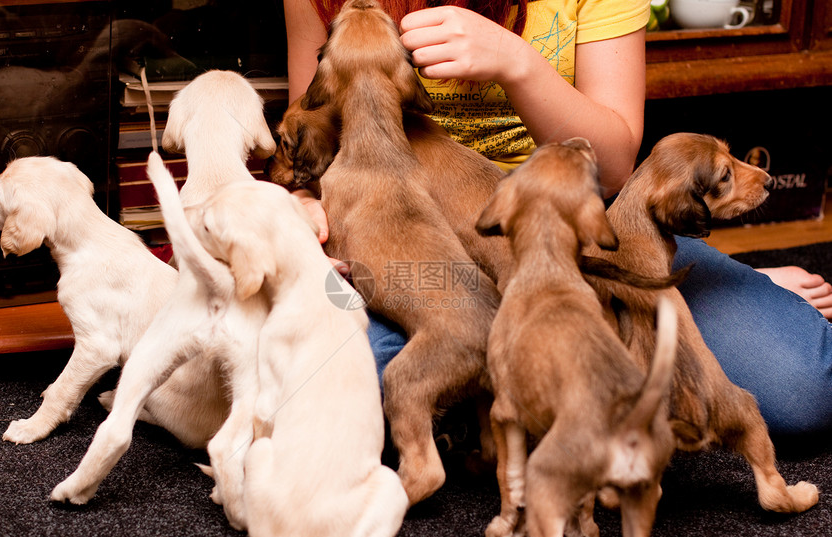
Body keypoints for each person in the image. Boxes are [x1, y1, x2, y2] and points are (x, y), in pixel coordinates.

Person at [283, 0, 832, 435]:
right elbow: (309, 141)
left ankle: (670, 286)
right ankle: (618, 323)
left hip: (572, 240)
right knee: (315, 404)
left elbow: (613, 168)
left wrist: (515, 62)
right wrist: (307, 209)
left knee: (803, 386)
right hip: (408, 249)